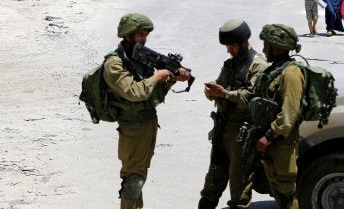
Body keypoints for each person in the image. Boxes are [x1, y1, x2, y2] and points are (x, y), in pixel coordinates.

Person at [103, 13, 190, 209]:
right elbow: (134, 92)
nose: (144, 40)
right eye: (141, 35)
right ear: (128, 36)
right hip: (132, 128)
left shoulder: (138, 59)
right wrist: (157, 77)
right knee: (133, 178)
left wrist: (171, 79)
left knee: (139, 175)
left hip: (147, 125)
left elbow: (152, 97)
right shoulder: (114, 64)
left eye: (145, 35)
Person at [198, 19, 269, 209]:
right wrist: (212, 91)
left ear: (243, 42)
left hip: (242, 134)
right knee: (212, 182)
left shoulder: (258, 65)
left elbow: (254, 96)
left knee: (239, 188)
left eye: (231, 45)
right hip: (222, 129)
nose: (229, 50)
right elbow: (220, 85)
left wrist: (226, 94)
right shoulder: (230, 64)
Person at [254, 24, 305, 209]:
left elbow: (289, 114)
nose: (263, 49)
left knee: (286, 194)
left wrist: (268, 137)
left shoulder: (291, 73)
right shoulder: (276, 69)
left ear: (277, 47)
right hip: (272, 142)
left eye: (266, 45)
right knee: (276, 190)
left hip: (282, 144)